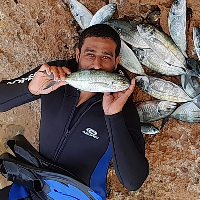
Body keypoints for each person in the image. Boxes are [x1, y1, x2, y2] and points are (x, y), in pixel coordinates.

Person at [0, 24, 149, 200]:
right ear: (78, 54)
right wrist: (30, 89)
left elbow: (133, 181)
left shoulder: (122, 108)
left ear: (117, 62)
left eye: (106, 57)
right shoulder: (54, 73)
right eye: (90, 54)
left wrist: (113, 116)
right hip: (29, 186)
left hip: (76, 196)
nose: (96, 65)